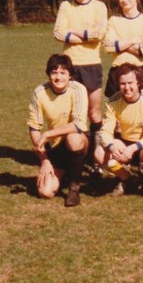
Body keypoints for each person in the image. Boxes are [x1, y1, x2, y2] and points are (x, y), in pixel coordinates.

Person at [53, 0, 108, 171]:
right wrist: (84, 36)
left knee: (93, 113)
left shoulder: (99, 7)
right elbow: (58, 31)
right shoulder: (66, 6)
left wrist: (74, 33)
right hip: (70, 66)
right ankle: (73, 156)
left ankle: (96, 158)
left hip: (92, 64)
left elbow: (99, 32)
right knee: (72, 114)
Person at [27, 54, 89, 207]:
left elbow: (78, 125)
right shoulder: (39, 92)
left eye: (63, 73)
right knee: (45, 192)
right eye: (54, 72)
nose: (58, 77)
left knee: (73, 138)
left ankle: (74, 188)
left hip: (78, 141)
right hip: (55, 148)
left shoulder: (78, 89)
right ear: (48, 74)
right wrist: (45, 161)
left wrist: (47, 134)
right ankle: (66, 173)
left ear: (70, 75)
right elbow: (34, 128)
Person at [95, 63, 143, 196]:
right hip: (124, 144)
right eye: (122, 84)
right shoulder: (113, 101)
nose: (127, 88)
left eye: (130, 83)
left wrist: (134, 148)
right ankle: (127, 179)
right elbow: (106, 131)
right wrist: (112, 147)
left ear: (139, 83)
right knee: (99, 153)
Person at [103, 0, 143, 98]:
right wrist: (132, 40)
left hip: (140, 71)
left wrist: (119, 44)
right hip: (117, 71)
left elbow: (142, 51)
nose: (124, 0)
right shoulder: (113, 21)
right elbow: (109, 47)